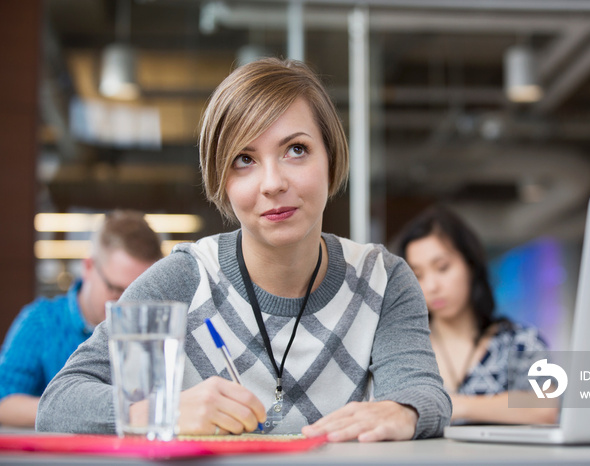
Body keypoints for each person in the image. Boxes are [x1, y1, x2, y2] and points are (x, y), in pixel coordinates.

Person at [36, 58, 451, 442]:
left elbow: (422, 391)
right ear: (222, 181)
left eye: (296, 150)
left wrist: (404, 410)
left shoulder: (384, 279)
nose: (272, 183)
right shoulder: (185, 279)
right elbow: (59, 404)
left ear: (331, 156)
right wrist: (166, 411)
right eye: (244, 159)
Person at [394, 206, 559, 425]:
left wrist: (453, 405)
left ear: (470, 264)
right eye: (417, 275)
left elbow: (545, 409)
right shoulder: (402, 351)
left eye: (442, 268)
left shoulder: (520, 342)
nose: (431, 286)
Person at [0, 210, 162, 428]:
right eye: (116, 290)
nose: (126, 307)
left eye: (140, 295)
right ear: (87, 267)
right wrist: (78, 411)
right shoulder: (41, 322)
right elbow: (4, 402)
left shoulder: (158, 331)